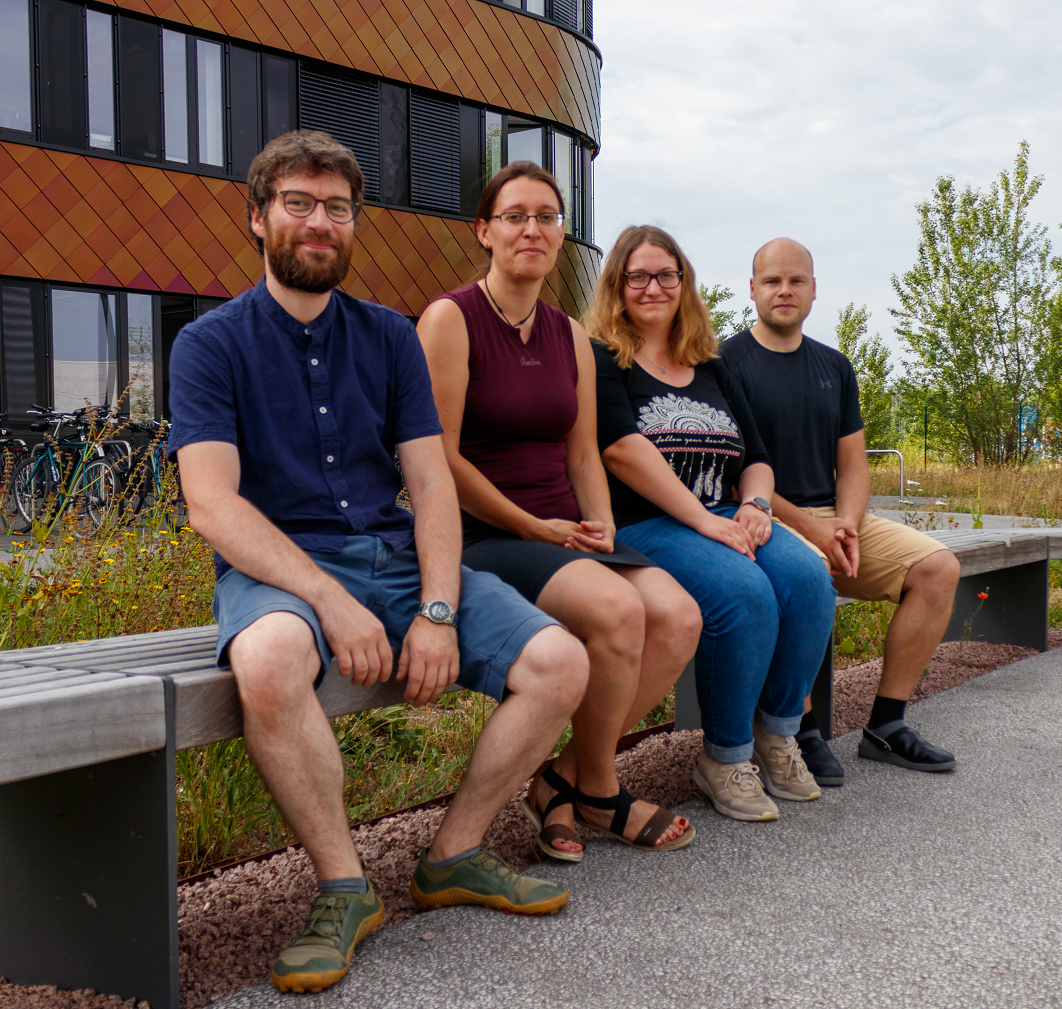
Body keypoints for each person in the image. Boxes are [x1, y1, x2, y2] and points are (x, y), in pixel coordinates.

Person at [168, 131, 590, 994]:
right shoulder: (210, 344)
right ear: (258, 218)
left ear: (355, 222)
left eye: (337, 207)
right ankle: (343, 886)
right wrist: (329, 600)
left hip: (395, 560)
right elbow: (211, 503)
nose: (319, 222)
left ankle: (454, 853)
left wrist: (436, 609)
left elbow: (431, 484)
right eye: (298, 203)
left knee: (560, 661)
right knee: (268, 658)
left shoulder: (391, 338)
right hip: (282, 570)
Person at [417, 163, 701, 858]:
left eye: (547, 216)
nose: (533, 230)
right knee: (619, 611)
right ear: (484, 231)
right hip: (485, 532)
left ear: (561, 233)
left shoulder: (569, 334)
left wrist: (601, 523)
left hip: (562, 530)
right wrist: (529, 525)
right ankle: (601, 789)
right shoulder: (450, 319)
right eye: (515, 216)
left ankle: (558, 781)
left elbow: (582, 454)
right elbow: (437, 459)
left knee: (677, 616)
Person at [588, 225, 836, 822]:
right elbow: (620, 449)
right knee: (743, 592)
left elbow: (756, 458)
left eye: (666, 275)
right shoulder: (602, 358)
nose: (653, 287)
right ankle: (725, 756)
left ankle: (778, 735)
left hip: (722, 516)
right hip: (642, 524)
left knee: (809, 577)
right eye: (638, 276)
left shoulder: (712, 366)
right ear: (617, 284)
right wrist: (704, 520)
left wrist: (756, 507)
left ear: (684, 284)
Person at [721, 237, 962, 783]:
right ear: (752, 289)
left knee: (938, 568)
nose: (785, 290)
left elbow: (853, 463)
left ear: (814, 290)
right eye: (772, 280)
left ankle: (887, 725)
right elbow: (737, 474)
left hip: (835, 518)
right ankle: (799, 730)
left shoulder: (834, 365)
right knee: (806, 575)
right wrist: (813, 528)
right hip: (762, 516)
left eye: (796, 281)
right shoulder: (725, 365)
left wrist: (847, 525)